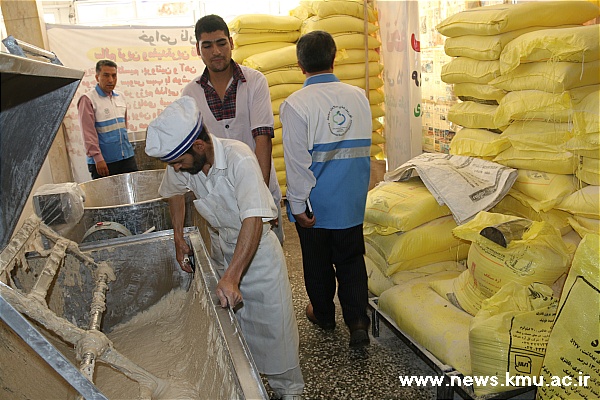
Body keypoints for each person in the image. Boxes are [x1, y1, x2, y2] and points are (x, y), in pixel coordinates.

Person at [145, 96, 304, 400]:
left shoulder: (239, 158)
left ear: (199, 146)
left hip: (258, 253)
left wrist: (232, 276)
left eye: (178, 162)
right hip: (223, 248)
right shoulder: (183, 162)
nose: (176, 168)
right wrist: (178, 236)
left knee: (275, 329)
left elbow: (253, 219)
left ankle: (289, 389)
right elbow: (174, 194)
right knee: (237, 330)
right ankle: (250, 385)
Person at [280, 31, 373, 348]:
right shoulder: (359, 97)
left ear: (300, 65)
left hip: (316, 208)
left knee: (317, 264)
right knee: (352, 261)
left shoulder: (296, 104)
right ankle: (358, 322)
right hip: (351, 202)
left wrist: (296, 206)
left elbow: (297, 164)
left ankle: (324, 315)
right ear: (334, 58)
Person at [182, 14, 285, 253]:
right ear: (198, 50)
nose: (216, 51)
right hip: (219, 198)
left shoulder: (254, 81)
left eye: (221, 43)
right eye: (207, 46)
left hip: (259, 185)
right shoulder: (190, 93)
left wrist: (261, 197)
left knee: (268, 257)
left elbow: (262, 138)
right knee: (228, 260)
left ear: (231, 43)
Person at [77, 59, 138, 179]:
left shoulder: (120, 97)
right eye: (106, 75)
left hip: (126, 157)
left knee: (135, 188)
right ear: (97, 77)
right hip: (104, 162)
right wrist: (98, 158)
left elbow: (123, 127)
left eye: (114, 75)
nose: (111, 80)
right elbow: (88, 133)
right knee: (107, 192)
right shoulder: (88, 99)